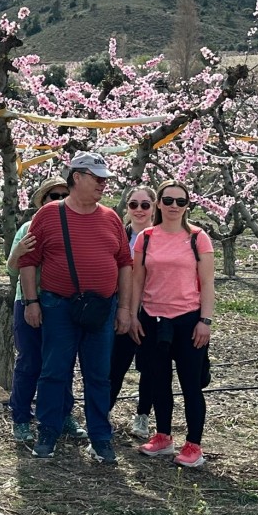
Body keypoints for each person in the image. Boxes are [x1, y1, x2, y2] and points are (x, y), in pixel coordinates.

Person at [18, 151, 133, 464]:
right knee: (55, 371)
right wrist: (31, 302)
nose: (103, 184)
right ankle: (48, 433)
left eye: (105, 178)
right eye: (97, 178)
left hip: (101, 309)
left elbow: (124, 264)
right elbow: (28, 261)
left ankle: (101, 438)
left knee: (99, 375)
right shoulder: (49, 215)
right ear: (77, 177)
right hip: (58, 306)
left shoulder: (111, 217)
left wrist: (124, 308)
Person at [131, 180, 215, 468]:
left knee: (191, 383)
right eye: (168, 200)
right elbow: (137, 281)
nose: (174, 206)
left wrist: (205, 320)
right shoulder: (147, 237)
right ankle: (163, 435)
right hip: (153, 319)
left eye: (180, 202)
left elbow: (207, 283)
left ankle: (194, 444)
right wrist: (132, 315)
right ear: (159, 204)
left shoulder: (197, 237)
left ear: (187, 206)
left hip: (188, 319)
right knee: (158, 381)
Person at [5, 176, 88, 444]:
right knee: (29, 362)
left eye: (65, 194)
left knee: (61, 363)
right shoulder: (30, 227)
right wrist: (17, 252)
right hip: (28, 301)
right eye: (54, 196)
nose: (59, 200)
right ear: (42, 201)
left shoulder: (75, 226)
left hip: (63, 305)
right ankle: (20, 418)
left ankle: (63, 415)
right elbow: (11, 269)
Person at [109, 185, 157, 440]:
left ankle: (142, 415)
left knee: (149, 365)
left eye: (145, 205)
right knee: (116, 363)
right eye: (133, 205)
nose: (139, 210)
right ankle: (104, 410)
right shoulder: (120, 235)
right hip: (121, 306)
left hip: (152, 308)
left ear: (154, 207)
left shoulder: (159, 236)